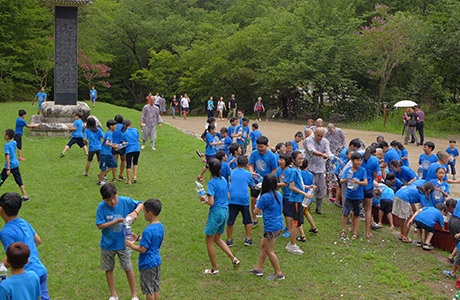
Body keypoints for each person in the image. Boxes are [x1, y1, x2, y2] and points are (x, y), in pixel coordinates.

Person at [96, 183, 143, 300]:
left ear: (117, 194)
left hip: (124, 243)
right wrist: (117, 221)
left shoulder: (124, 201)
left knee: (128, 268)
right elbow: (100, 225)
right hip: (107, 244)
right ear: (103, 199)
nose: (112, 202)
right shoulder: (101, 207)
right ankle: (114, 295)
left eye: (114, 198)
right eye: (109, 200)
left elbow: (141, 204)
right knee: (109, 269)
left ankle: (134, 295)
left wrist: (135, 213)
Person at [0, 192, 48, 299]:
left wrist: (1, 265)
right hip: (40, 271)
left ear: (1, 209)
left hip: (25, 276)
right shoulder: (23, 222)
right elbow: (38, 240)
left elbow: (12, 257)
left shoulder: (5, 233)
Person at [199, 159, 240, 275]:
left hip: (216, 213)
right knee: (217, 238)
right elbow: (227, 196)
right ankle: (233, 258)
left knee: (209, 241)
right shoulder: (224, 180)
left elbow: (211, 202)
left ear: (210, 170)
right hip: (225, 211)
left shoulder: (211, 183)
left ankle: (215, 269)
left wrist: (204, 198)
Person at [125, 198, 164, 300]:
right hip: (157, 261)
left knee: (148, 289)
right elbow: (152, 241)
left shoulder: (148, 230)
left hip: (147, 263)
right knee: (155, 287)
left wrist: (131, 245)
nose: (143, 215)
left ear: (150, 213)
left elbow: (143, 249)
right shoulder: (160, 226)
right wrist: (138, 238)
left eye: (144, 212)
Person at [249, 173, 285, 280]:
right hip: (279, 225)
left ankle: (279, 273)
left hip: (271, 227)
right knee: (263, 244)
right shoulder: (279, 195)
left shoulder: (264, 197)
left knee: (269, 250)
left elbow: (255, 211)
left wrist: (256, 204)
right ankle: (258, 268)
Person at [249, 136, 278, 226]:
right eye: (258, 146)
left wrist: (268, 178)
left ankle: (268, 217)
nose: (260, 149)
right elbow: (251, 165)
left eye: (262, 147)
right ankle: (254, 219)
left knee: (267, 199)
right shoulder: (254, 154)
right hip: (256, 180)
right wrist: (251, 172)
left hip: (267, 181)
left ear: (267, 146)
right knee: (253, 199)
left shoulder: (271, 156)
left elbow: (274, 169)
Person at [226, 156, 254, 247]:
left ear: (237, 164)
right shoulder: (248, 174)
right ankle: (248, 238)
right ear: (247, 165)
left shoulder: (232, 172)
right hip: (243, 200)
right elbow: (251, 185)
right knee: (247, 220)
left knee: (230, 220)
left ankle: (229, 239)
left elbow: (231, 180)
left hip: (232, 199)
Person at [340, 152, 368, 240]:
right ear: (352, 161)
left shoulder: (362, 170)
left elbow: (365, 182)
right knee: (345, 213)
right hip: (349, 195)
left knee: (357, 214)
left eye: (360, 160)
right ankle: (343, 230)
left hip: (358, 196)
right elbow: (341, 180)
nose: (359, 162)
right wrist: (345, 180)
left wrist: (357, 182)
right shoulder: (348, 170)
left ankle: (355, 232)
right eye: (357, 160)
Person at [304, 127, 332, 215]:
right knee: (310, 189)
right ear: (314, 134)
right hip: (310, 168)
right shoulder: (308, 140)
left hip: (320, 168)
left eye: (321, 136)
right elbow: (312, 151)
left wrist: (329, 155)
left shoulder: (325, 141)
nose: (320, 137)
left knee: (322, 190)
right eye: (318, 135)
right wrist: (323, 155)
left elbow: (328, 152)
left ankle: (318, 208)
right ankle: (305, 207)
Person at [0, 129, 29, 201]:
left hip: (9, 166)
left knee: (0, 180)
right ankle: (25, 196)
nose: (4, 135)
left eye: (5, 134)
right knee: (19, 180)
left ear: (7, 136)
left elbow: (8, 156)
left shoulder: (7, 145)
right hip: (16, 164)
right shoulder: (14, 142)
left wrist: (8, 169)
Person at [361, 146, 380, 238]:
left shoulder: (360, 156)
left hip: (359, 185)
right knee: (368, 209)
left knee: (355, 207)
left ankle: (353, 228)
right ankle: (367, 232)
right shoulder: (375, 160)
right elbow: (376, 174)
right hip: (368, 186)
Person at [275, 153, 293, 238]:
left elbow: (285, 183)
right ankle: (287, 226)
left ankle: (290, 230)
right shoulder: (279, 170)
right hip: (284, 194)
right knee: (284, 211)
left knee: (288, 213)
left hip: (290, 195)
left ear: (287, 161)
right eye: (279, 159)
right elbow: (276, 179)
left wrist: (275, 185)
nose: (279, 161)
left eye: (282, 159)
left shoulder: (289, 171)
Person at [97, 120, 120, 186]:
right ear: (111, 126)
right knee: (103, 168)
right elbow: (107, 143)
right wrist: (114, 146)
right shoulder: (109, 133)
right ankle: (100, 181)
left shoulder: (110, 132)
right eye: (114, 125)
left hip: (108, 153)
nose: (116, 126)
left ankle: (102, 175)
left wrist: (115, 145)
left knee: (114, 165)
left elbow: (108, 142)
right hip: (105, 153)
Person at [122, 120, 141, 185]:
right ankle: (135, 176)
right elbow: (138, 139)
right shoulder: (135, 130)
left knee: (128, 165)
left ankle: (129, 180)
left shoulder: (124, 133)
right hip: (137, 148)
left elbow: (123, 142)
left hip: (129, 149)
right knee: (135, 162)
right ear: (130, 124)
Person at [112, 115, 127, 182]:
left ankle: (114, 177)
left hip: (114, 145)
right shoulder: (124, 127)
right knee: (123, 160)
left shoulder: (112, 126)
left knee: (115, 161)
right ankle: (120, 175)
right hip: (122, 146)